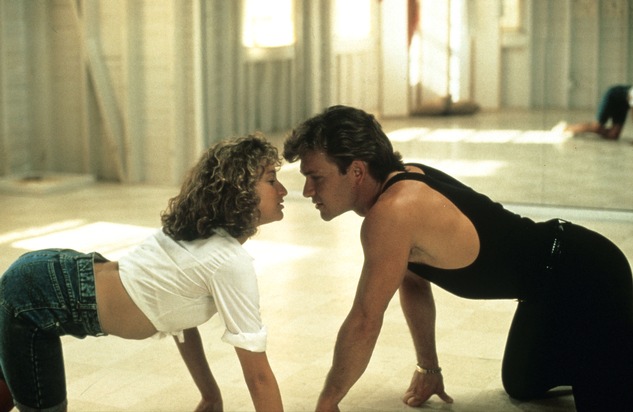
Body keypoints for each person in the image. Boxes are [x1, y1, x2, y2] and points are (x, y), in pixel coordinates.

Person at [283, 105, 633, 412]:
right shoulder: (401, 185)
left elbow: (365, 320)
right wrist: (428, 368)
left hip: (590, 276)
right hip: (546, 288)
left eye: (316, 177)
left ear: (357, 171)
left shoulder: (393, 213)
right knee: (521, 385)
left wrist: (327, 401)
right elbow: (414, 283)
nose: (308, 190)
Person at [0, 134, 288, 412]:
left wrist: (211, 396)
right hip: (37, 299)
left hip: (48, 274)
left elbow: (181, 323)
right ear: (239, 190)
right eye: (272, 180)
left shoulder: (199, 231)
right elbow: (259, 378)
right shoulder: (227, 260)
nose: (283, 190)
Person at [562, 84, 633, 140]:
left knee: (613, 135)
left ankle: (576, 129)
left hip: (622, 104)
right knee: (597, 127)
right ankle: (566, 128)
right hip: (612, 97)